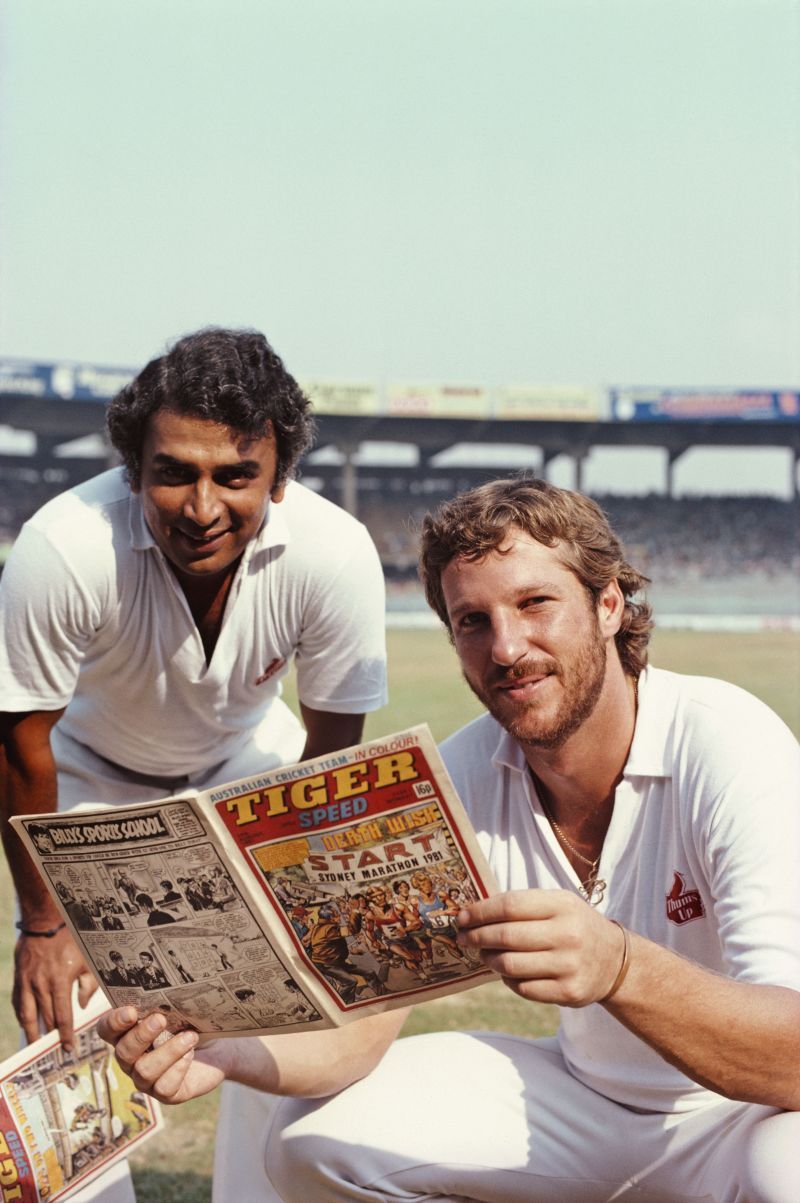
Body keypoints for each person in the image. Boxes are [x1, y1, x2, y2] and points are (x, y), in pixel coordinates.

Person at [99, 476, 800, 1203]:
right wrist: (223, 1048)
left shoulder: (727, 742)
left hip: (743, 1113)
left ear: (609, 604)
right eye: (473, 620)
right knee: (311, 1142)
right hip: (584, 1104)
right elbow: (359, 1032)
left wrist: (619, 964)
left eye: (535, 603)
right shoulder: (457, 774)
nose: (506, 647)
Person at [0, 326, 387, 1203]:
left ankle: (264, 1187)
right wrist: (45, 926)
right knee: (78, 1022)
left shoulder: (335, 552)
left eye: (235, 475)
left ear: (279, 477)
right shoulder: (64, 545)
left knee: (298, 984)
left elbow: (331, 750)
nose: (201, 504)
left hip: (250, 767)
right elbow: (20, 742)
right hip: (91, 777)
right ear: (135, 469)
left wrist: (296, 896)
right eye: (173, 471)